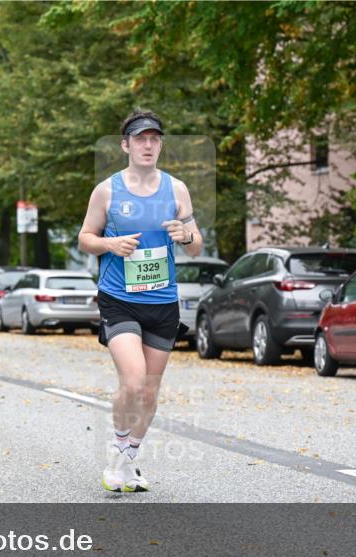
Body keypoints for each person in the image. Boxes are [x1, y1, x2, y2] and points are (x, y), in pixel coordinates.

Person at [78, 110, 203, 493]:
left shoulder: (177, 189)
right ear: (126, 145)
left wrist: (185, 235)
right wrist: (110, 244)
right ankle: (118, 449)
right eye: (140, 139)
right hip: (119, 298)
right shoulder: (108, 190)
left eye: (154, 139)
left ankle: (128, 460)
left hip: (163, 300)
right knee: (132, 382)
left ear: (160, 144)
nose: (148, 145)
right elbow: (85, 237)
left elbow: (196, 248)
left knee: (150, 390)